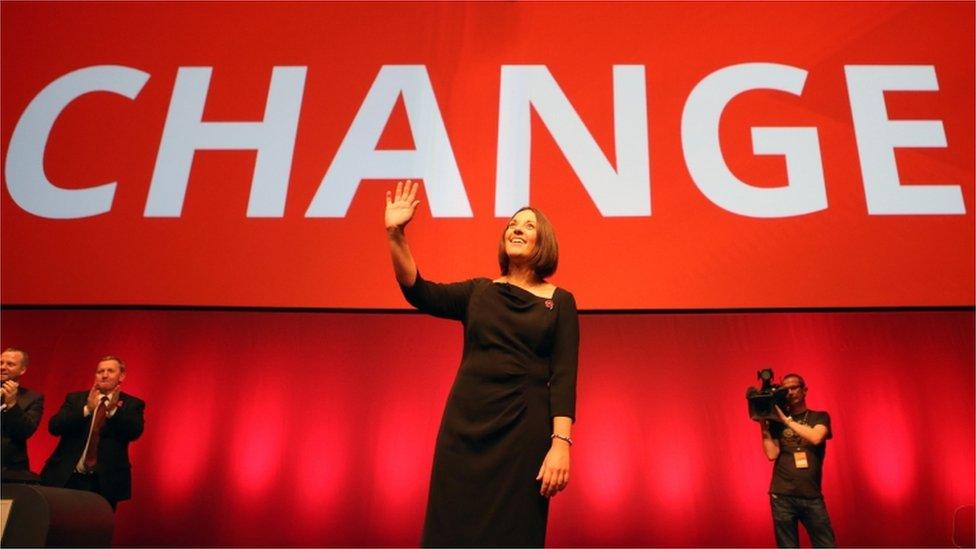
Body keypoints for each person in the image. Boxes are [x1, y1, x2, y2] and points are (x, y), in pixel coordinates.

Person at [386, 180, 579, 547]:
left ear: (544, 243)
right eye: (512, 224)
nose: (517, 229)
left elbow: (565, 376)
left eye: (528, 226)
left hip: (523, 433)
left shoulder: (560, 301)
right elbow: (419, 291)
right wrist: (396, 234)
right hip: (465, 428)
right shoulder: (479, 291)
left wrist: (561, 443)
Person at [41, 356, 145, 510]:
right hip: (66, 477)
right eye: (100, 371)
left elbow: (134, 432)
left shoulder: (133, 403)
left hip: (103, 483)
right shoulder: (76, 398)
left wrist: (113, 411)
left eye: (110, 371)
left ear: (121, 376)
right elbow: (54, 427)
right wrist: (87, 409)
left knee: (93, 531)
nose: (104, 375)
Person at [760, 373, 836, 547]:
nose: (790, 392)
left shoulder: (819, 417)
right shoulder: (777, 422)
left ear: (804, 390)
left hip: (811, 495)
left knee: (826, 545)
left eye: (794, 387)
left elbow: (816, 437)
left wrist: (786, 420)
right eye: (785, 389)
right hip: (782, 496)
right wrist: (763, 424)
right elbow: (772, 454)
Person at [1, 347, 44, 481]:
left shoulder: (32, 398)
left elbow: (26, 431)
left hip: (9, 471)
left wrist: (12, 404)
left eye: (10, 364)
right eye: (1, 362)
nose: (3, 367)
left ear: (22, 370)